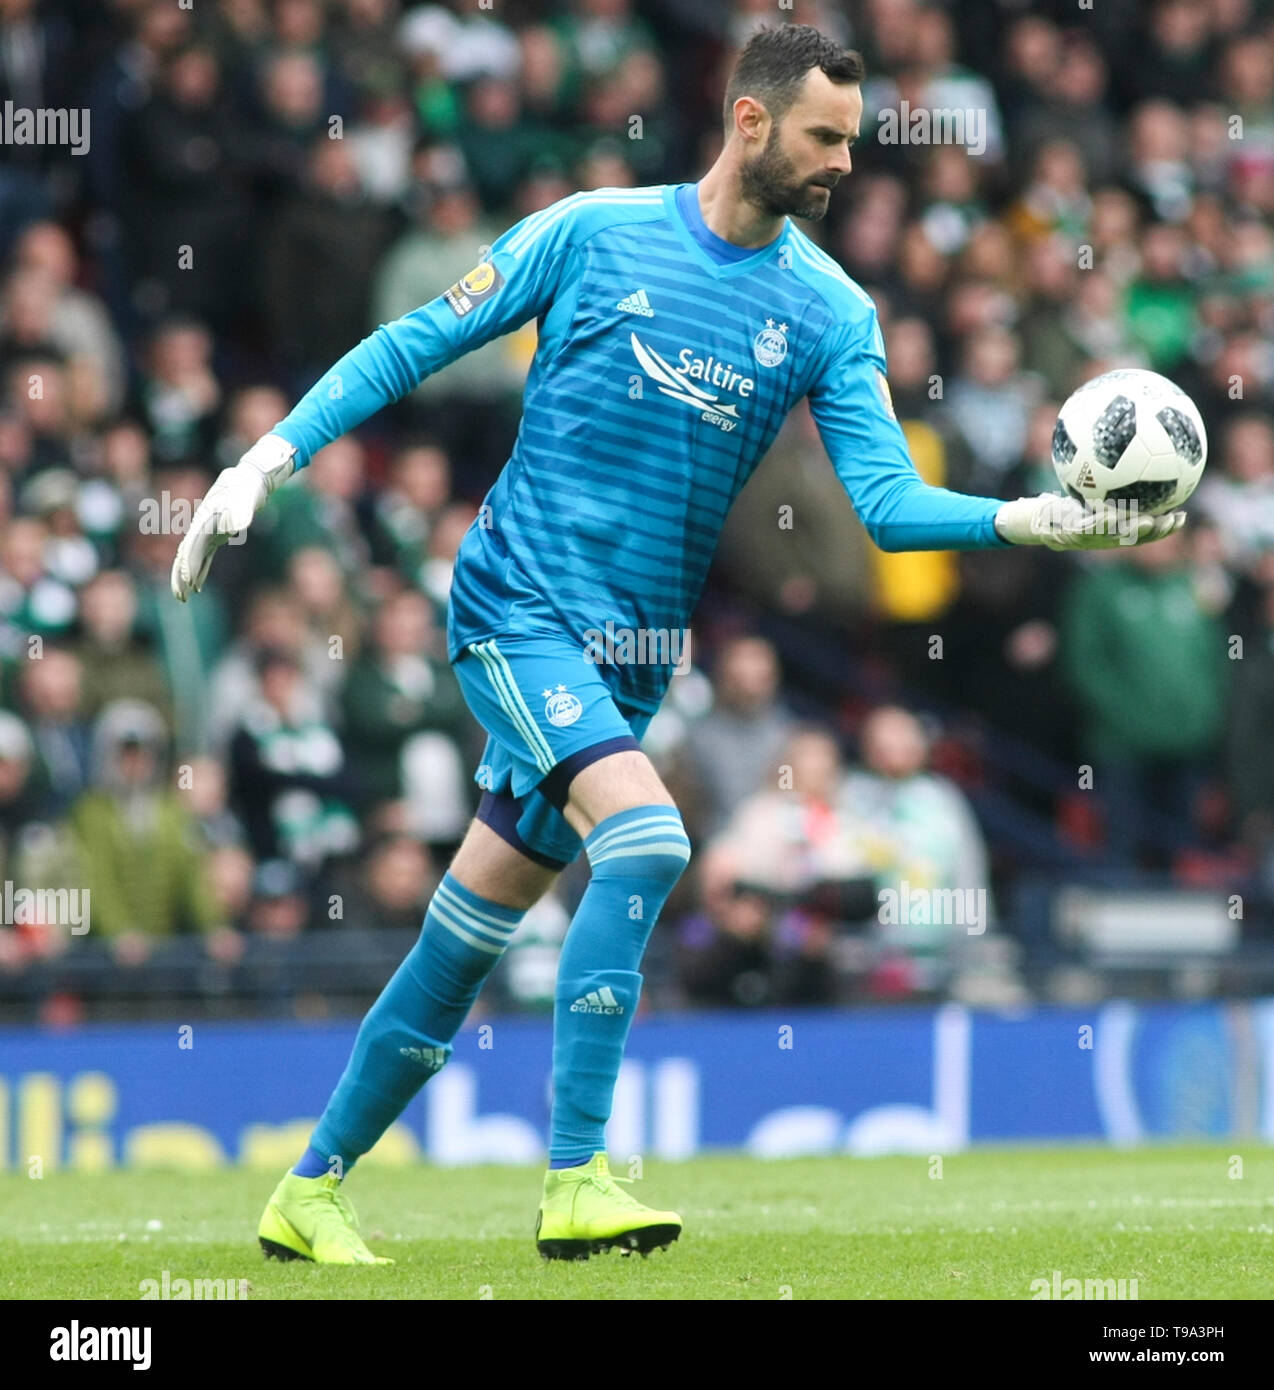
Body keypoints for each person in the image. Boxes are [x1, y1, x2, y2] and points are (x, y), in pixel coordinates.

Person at [170, 25, 1184, 1265]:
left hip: (635, 654)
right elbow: (411, 344)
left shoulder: (828, 308)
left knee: (466, 934)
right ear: (748, 121)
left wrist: (1030, 519)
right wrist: (267, 458)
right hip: (514, 607)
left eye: (852, 142)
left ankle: (309, 1189)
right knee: (646, 840)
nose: (842, 165)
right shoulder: (592, 230)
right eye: (822, 137)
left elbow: (881, 507)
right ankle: (577, 1174)